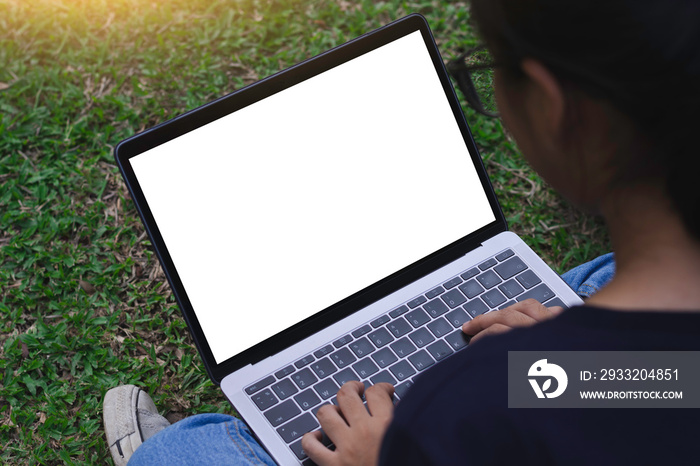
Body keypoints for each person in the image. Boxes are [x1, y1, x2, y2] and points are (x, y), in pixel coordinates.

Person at [103, 0, 700, 464]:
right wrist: (590, 369)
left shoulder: (462, 411)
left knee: (180, 452)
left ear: (553, 106)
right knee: (598, 282)